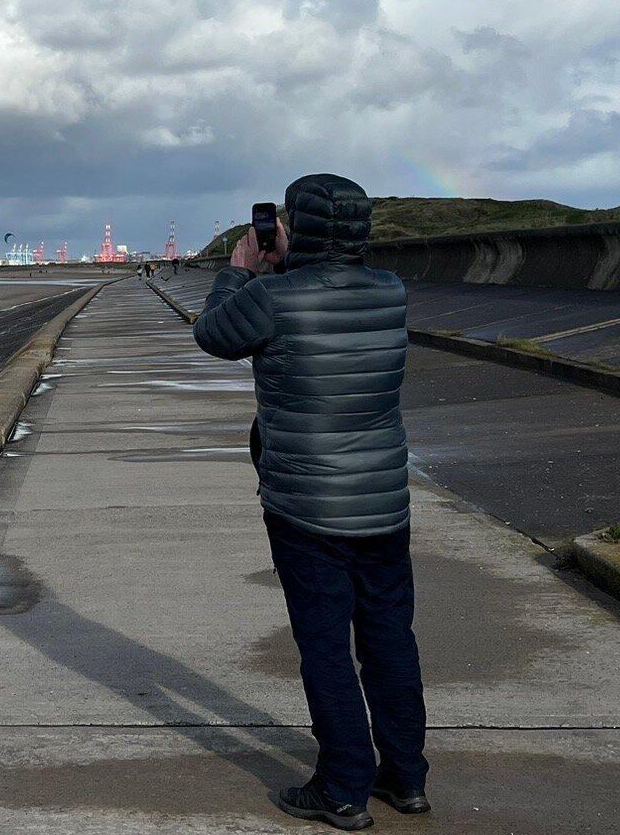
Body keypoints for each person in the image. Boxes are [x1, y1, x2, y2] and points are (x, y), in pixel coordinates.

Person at [191, 173, 429, 831]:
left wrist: (242, 268)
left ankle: (343, 787)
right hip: (383, 498)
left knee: (324, 643)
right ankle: (406, 778)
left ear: (301, 227)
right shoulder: (391, 291)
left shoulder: (274, 299)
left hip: (306, 503)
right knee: (389, 637)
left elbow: (213, 334)